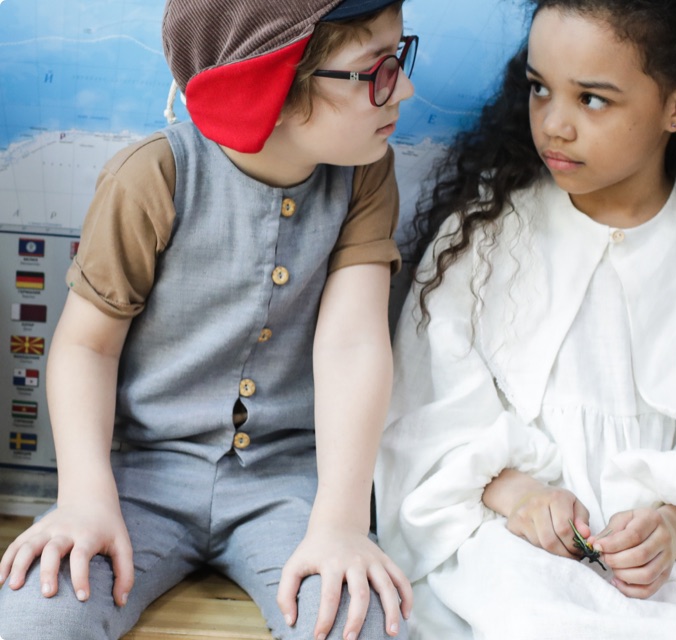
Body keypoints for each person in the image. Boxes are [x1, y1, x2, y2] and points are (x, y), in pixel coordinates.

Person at [374, 0, 676, 638]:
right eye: (539, 89)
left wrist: (675, 525)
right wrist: (521, 496)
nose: (554, 124)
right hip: (514, 540)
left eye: (592, 99)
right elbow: (426, 419)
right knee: (540, 621)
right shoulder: (485, 237)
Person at [0, 1, 417, 638]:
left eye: (400, 57)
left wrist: (341, 523)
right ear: (273, 85)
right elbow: (86, 347)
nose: (404, 88)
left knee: (360, 620)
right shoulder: (152, 177)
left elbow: (352, 344)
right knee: (35, 612)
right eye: (378, 69)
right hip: (140, 478)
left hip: (293, 482)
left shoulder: (365, 174)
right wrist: (83, 499)